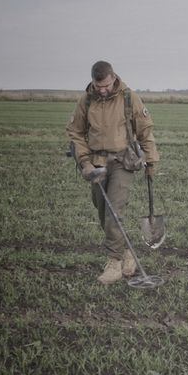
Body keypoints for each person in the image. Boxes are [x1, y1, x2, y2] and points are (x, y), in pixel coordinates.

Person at [67, 61, 159, 285]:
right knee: (103, 213)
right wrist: (85, 163)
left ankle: (114, 263)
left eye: (106, 85)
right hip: (96, 163)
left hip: (123, 161)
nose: (103, 90)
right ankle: (126, 252)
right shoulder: (86, 100)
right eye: (98, 86)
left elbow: (145, 131)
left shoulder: (129, 97)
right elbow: (76, 133)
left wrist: (152, 160)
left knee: (113, 213)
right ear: (93, 81)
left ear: (113, 77)